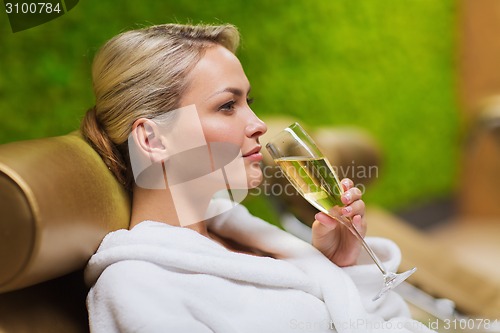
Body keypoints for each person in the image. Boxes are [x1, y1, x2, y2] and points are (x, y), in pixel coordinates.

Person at [81, 23, 434, 333]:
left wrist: (341, 267)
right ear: (153, 140)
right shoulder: (137, 286)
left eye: (249, 101)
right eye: (227, 106)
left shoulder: (244, 236)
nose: (259, 125)